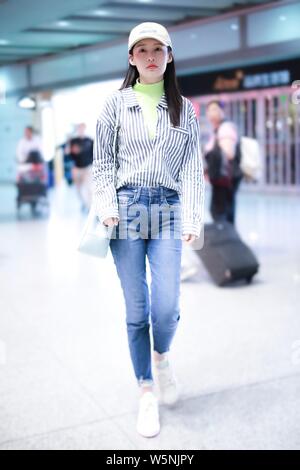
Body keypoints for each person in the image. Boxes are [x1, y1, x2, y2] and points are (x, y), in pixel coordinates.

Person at [93, 22, 204, 438]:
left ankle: (162, 357)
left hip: (169, 208)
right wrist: (106, 208)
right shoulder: (115, 104)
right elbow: (102, 162)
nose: (151, 56)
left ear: (170, 55)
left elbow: (192, 167)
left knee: (167, 305)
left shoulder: (185, 109)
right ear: (131, 58)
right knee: (137, 310)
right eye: (142, 50)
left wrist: (193, 217)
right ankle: (145, 391)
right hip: (125, 210)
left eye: (158, 49)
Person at [204, 100, 243, 225]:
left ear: (223, 111)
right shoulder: (218, 130)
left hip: (225, 178)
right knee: (223, 211)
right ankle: (227, 240)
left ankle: (226, 241)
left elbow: (229, 153)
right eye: (209, 110)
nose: (211, 113)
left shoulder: (225, 128)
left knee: (221, 212)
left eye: (215, 109)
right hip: (222, 179)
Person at [69, 123, 93, 212]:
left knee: (89, 188)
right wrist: (72, 152)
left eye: (82, 128)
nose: (81, 130)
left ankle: (90, 207)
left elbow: (94, 154)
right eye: (79, 128)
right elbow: (70, 156)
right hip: (77, 168)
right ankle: (84, 203)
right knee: (78, 189)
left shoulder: (90, 141)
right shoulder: (73, 141)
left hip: (87, 168)